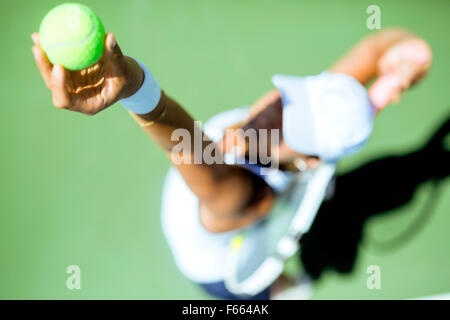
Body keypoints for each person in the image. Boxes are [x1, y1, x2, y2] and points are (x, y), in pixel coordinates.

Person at [31, 27, 432, 299]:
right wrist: (407, 58)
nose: (272, 114)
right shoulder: (313, 116)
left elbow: (182, 141)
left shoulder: (247, 195)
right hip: (209, 255)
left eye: (291, 128)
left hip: (243, 229)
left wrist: (133, 87)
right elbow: (377, 48)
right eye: (287, 100)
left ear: (309, 158)